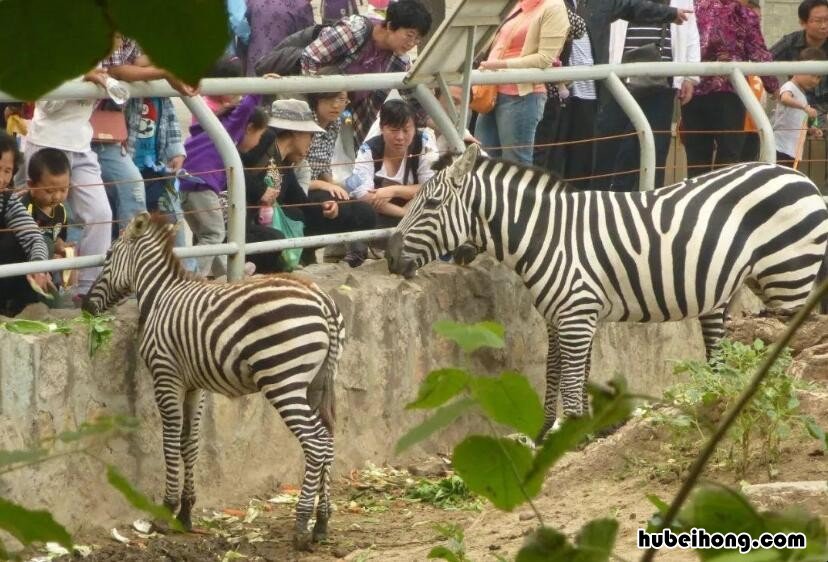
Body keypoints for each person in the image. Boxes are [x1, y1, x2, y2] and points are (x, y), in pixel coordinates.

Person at [241, 99, 377, 268]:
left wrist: (325, 207)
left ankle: (302, 254)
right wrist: (260, 191)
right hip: (243, 224)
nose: (311, 142)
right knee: (275, 238)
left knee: (361, 211)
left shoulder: (286, 166)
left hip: (271, 225)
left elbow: (301, 202)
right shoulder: (261, 145)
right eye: (310, 135)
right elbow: (234, 172)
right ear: (297, 132)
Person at [23, 68, 112, 297]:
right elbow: (47, 104)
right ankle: (23, 285)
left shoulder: (99, 52)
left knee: (101, 213)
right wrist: (81, 76)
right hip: (47, 145)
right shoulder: (58, 49)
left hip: (81, 147)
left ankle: (88, 290)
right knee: (27, 217)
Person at [596, 0, 700, 191]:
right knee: (618, 143)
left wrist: (690, 77)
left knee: (656, 143)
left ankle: (651, 196)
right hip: (622, 75)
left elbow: (691, 31)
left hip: (662, 79)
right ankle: (617, 195)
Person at [301, 0, 432, 145]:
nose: (411, 43)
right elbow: (310, 57)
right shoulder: (354, 31)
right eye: (409, 35)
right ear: (390, 26)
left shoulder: (400, 61)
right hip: (316, 107)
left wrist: (443, 126)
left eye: (417, 39)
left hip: (347, 120)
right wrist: (313, 104)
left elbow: (415, 101)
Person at [679, 0, 778, 177]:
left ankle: (697, 201)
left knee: (696, 158)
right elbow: (758, 53)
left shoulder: (690, 7)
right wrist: (773, 87)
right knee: (729, 155)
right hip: (728, 91)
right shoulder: (742, 12)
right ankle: (723, 201)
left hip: (691, 90)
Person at [473, 0, 570, 165]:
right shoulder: (516, 4)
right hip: (492, 92)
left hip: (522, 95)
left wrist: (500, 65)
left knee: (516, 166)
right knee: (482, 161)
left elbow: (545, 59)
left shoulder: (554, 6)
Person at [350, 99, 439, 227]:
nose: (400, 137)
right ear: (381, 128)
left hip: (419, 211)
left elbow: (432, 187)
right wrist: (403, 213)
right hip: (383, 213)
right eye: (393, 130)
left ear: (415, 128)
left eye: (406, 130)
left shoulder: (424, 142)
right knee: (360, 211)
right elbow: (362, 194)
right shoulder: (367, 150)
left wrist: (393, 191)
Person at [0, 133, 54, 316]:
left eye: (7, 171)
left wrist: (38, 267)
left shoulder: (7, 200)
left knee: (45, 244)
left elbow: (34, 239)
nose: (1, 179)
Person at [771, 0, 828, 114]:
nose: (824, 26)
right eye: (818, 21)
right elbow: (762, 64)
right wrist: (776, 91)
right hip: (797, 107)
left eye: (827, 20)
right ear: (803, 23)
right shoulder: (790, 42)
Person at [772, 47, 826, 167]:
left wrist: (812, 129)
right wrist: (804, 107)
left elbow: (801, 122)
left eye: (819, 78)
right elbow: (785, 98)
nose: (815, 81)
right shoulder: (789, 86)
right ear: (798, 68)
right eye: (813, 75)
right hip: (780, 147)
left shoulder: (802, 95)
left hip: (793, 150)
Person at [244, 0, 315, 76]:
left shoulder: (251, 2)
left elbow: (242, 29)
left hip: (254, 67)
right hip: (283, 71)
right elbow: (308, 39)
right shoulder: (302, 6)